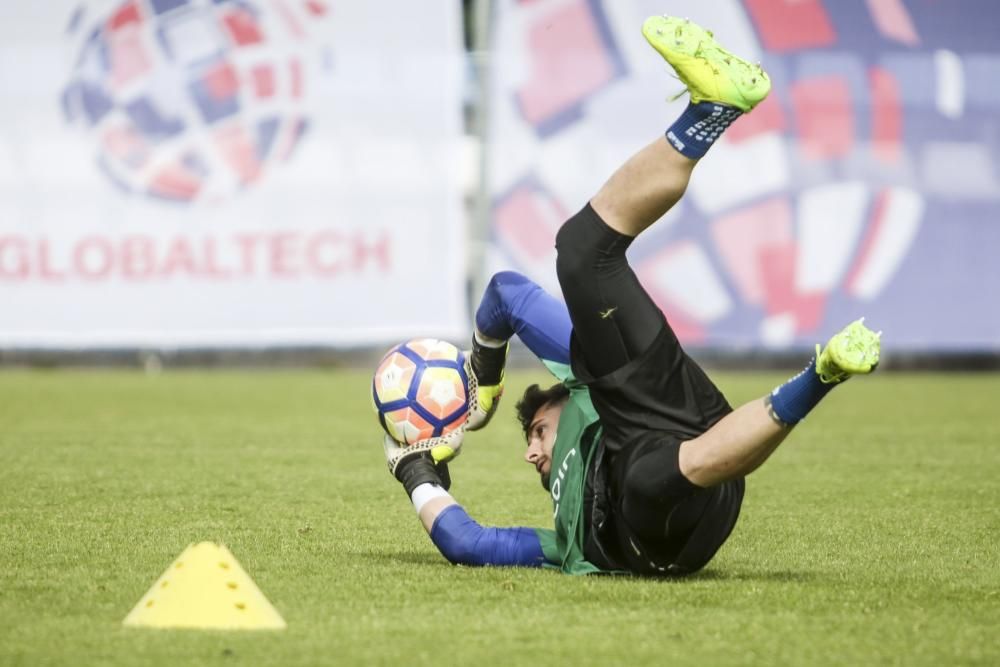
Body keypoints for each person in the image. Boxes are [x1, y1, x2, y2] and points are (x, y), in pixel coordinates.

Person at [381, 15, 881, 576]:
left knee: (580, 251)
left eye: (538, 430)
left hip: (674, 417)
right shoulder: (569, 537)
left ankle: (710, 111)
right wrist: (415, 469)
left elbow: (506, 295)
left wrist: (484, 385)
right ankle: (820, 376)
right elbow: (469, 544)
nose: (531, 453)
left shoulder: (586, 380)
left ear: (568, 397)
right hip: (651, 526)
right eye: (532, 444)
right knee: (650, 477)